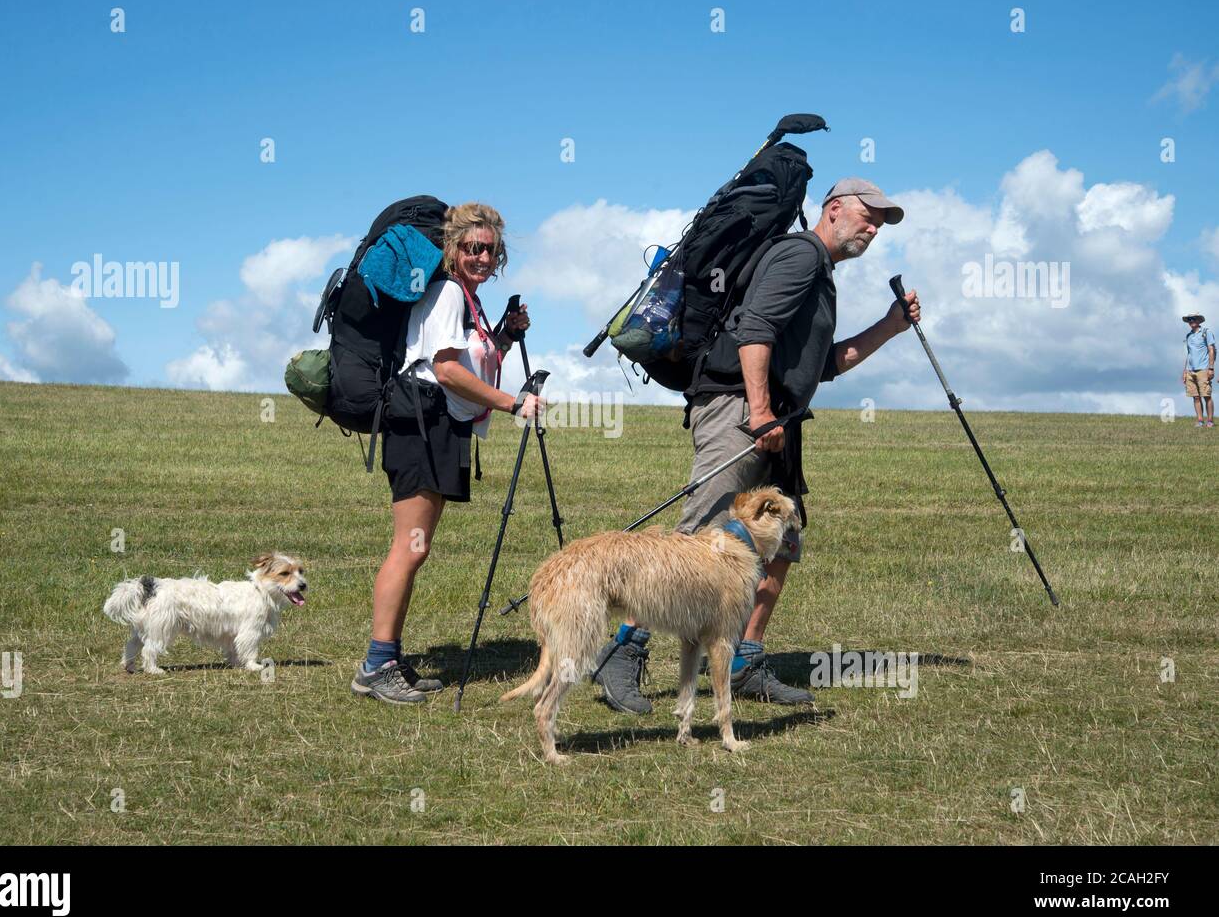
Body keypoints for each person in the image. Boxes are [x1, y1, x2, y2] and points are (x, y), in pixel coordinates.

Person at [592, 178, 922, 712]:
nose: (874, 227)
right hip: (741, 409)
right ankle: (622, 653)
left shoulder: (822, 274)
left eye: (881, 222)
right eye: (868, 214)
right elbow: (755, 330)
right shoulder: (799, 255)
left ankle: (744, 661)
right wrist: (762, 410)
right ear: (833, 208)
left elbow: (823, 367)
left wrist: (889, 327)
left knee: (780, 538)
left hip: (776, 415)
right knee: (697, 537)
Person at [353, 202, 543, 705]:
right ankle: (376, 664)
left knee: (418, 548)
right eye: (471, 247)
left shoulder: (468, 301)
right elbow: (447, 370)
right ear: (452, 250)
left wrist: (503, 335)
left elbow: (472, 364)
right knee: (409, 548)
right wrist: (512, 403)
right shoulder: (448, 294)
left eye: (489, 248)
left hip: (438, 425)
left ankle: (388, 656)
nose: (481, 256)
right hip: (422, 422)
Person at [1181, 313, 1215, 428]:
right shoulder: (1189, 336)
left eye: (1193, 319)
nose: (1191, 321)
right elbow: (1188, 354)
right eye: (1189, 320)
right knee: (1195, 396)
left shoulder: (1206, 332)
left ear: (1199, 321)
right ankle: (1200, 420)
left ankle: (1210, 421)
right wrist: (1185, 371)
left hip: (1203, 369)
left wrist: (1211, 368)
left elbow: (1211, 350)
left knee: (1206, 395)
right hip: (1190, 370)